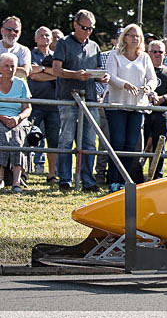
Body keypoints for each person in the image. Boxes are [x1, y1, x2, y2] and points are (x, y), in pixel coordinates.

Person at [52, 10, 108, 192]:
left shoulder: (94, 46)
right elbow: (56, 70)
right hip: (68, 97)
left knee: (89, 142)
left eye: (91, 28)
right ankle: (65, 180)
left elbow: (98, 70)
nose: (88, 31)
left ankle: (88, 181)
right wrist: (75, 75)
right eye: (84, 28)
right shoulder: (63, 43)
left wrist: (102, 77)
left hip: (90, 98)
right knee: (66, 139)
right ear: (75, 25)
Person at [104, 24, 157, 192]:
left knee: (131, 144)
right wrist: (124, 84)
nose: (135, 38)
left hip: (137, 106)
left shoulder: (145, 57)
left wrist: (148, 88)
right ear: (124, 38)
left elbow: (152, 78)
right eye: (131, 35)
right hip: (117, 105)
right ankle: (114, 180)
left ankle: (125, 180)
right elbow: (110, 76)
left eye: (138, 36)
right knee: (117, 142)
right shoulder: (115, 55)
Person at [142, 40, 167, 180]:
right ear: (148, 53)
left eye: (161, 52)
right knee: (141, 144)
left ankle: (156, 176)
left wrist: (163, 98)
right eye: (154, 52)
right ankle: (136, 175)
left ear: (165, 54)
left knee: (159, 145)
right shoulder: (142, 70)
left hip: (162, 113)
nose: (158, 55)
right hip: (144, 112)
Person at [28, 27, 59, 180]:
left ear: (51, 39)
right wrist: (51, 73)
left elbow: (61, 73)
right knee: (29, 139)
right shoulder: (30, 54)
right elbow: (32, 74)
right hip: (34, 104)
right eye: (41, 35)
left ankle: (52, 174)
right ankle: (23, 173)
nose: (45, 38)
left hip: (54, 106)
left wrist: (42, 71)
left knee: (54, 142)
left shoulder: (56, 56)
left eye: (47, 35)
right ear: (35, 39)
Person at [0, 53, 31, 192]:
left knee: (18, 137)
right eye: (6, 66)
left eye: (12, 66)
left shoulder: (21, 83)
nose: (10, 69)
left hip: (18, 118)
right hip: (0, 117)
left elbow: (28, 108)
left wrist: (18, 119)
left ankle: (16, 181)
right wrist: (2, 118)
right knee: (2, 135)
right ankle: (0, 179)